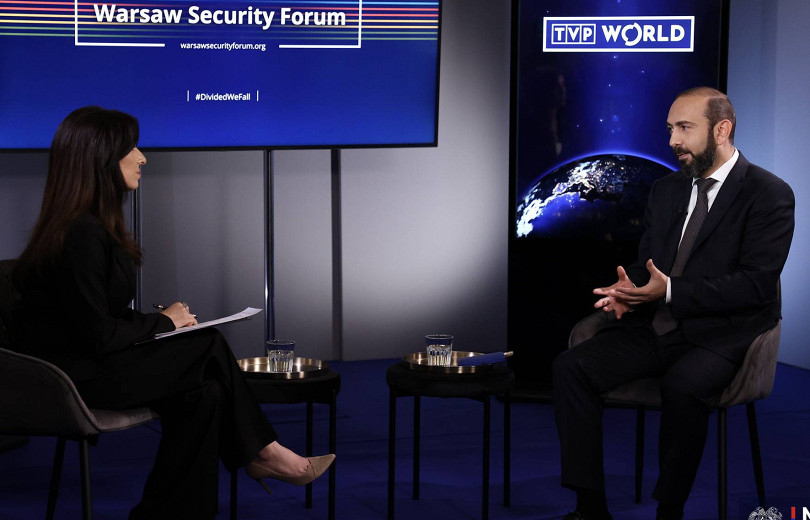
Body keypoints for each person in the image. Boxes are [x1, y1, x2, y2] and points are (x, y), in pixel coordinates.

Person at [12, 106, 334, 519]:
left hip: (89, 364)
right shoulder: (80, 233)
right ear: (101, 157)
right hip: (66, 380)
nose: (142, 157)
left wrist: (165, 324)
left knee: (206, 394)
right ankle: (264, 453)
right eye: (131, 147)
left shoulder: (89, 227)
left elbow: (95, 318)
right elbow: (97, 335)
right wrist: (164, 322)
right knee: (206, 344)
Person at [552, 87, 794, 520]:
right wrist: (628, 290)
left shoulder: (768, 194)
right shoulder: (666, 190)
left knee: (683, 386)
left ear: (721, 130)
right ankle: (589, 508)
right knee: (571, 368)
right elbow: (651, 264)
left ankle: (669, 512)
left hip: (721, 335)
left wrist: (669, 292)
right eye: (669, 129)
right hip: (658, 327)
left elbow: (755, 285)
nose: (672, 141)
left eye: (684, 128)